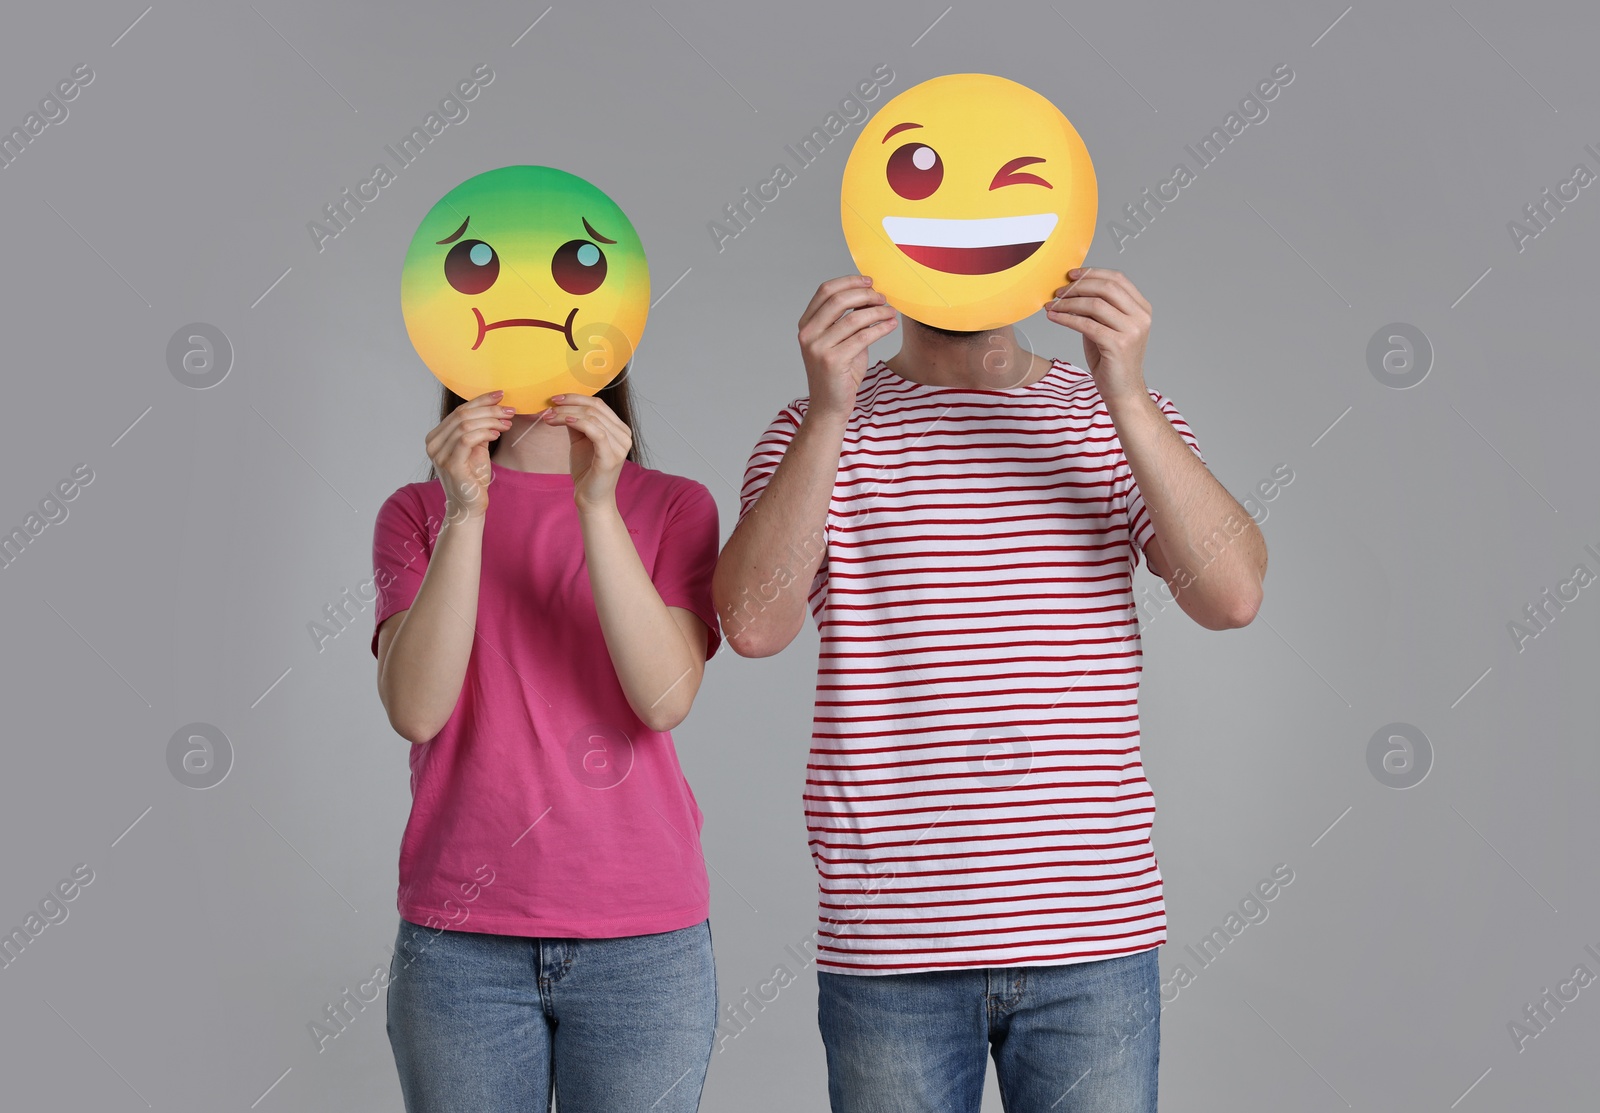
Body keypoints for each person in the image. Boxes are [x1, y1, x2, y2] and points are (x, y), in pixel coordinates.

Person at [715, 268, 1267, 1112]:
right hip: (891, 943)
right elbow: (752, 627)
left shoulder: (1113, 418)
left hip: (1093, 937)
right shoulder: (810, 432)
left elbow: (1231, 594)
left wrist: (1124, 387)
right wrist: (829, 409)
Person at [370, 374, 723, 1113]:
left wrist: (596, 501)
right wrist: (466, 511)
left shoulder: (674, 504)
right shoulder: (416, 512)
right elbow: (416, 709)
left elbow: (664, 700)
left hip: (644, 941)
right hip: (460, 945)